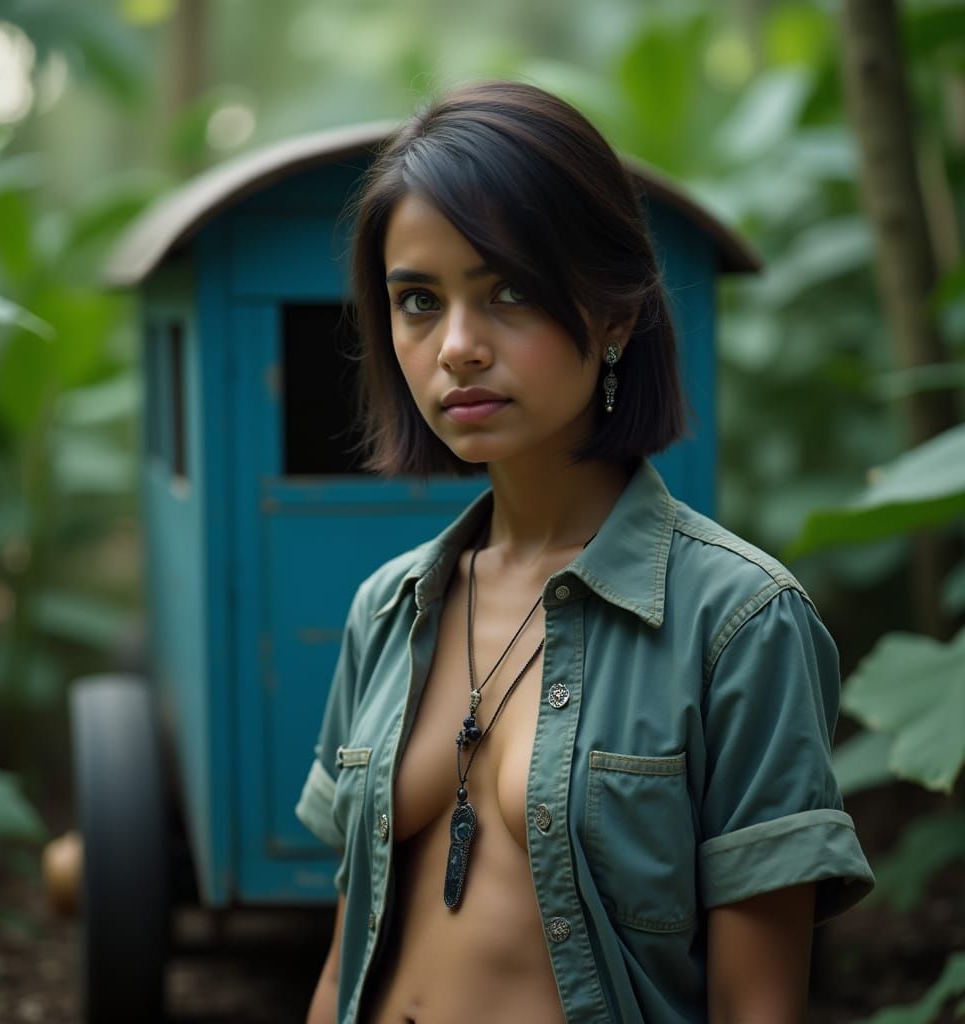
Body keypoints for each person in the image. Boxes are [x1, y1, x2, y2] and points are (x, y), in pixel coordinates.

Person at [296, 79, 873, 1024]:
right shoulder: (388, 610)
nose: (458, 348)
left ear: (613, 314)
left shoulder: (736, 624)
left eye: (508, 291)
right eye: (417, 301)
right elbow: (339, 964)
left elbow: (754, 1007)